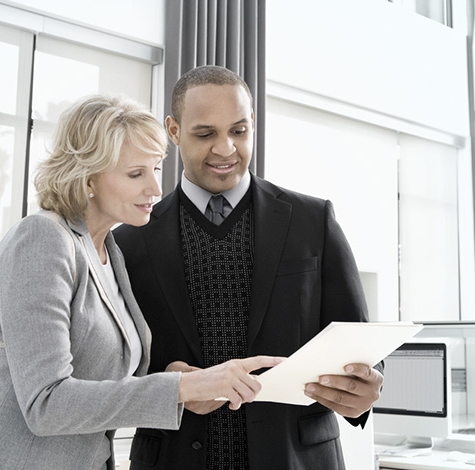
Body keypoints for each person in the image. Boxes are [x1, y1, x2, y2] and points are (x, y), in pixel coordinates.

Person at [0, 94, 282, 470]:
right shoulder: (42, 239)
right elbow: (46, 403)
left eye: (155, 168)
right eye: (136, 174)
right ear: (87, 178)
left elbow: (102, 375)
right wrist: (180, 389)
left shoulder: (109, 252)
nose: (155, 188)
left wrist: (176, 381)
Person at [113, 66, 385, 470]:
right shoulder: (128, 241)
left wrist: (365, 385)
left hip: (296, 459)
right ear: (173, 130)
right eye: (205, 134)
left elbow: (357, 343)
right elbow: (113, 369)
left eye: (239, 131)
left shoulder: (314, 221)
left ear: (253, 123)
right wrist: (171, 382)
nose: (225, 149)